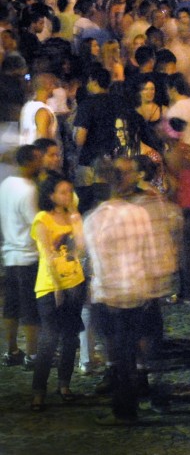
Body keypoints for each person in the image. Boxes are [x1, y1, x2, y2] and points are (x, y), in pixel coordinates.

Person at [84, 156, 176, 426]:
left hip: (108, 296)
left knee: (118, 355)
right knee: (135, 350)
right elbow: (151, 254)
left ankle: (124, 409)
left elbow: (92, 261)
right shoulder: (139, 214)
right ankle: (137, 400)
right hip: (137, 292)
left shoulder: (94, 219)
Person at [29, 173, 86, 411]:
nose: (68, 195)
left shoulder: (73, 216)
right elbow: (45, 254)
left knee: (70, 336)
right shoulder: (42, 219)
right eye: (63, 192)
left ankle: (64, 385)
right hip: (49, 286)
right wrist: (56, 287)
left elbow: (81, 247)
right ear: (51, 195)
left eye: (70, 191)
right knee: (49, 338)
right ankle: (38, 391)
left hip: (75, 281)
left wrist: (76, 217)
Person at [1, 144, 42, 368]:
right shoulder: (29, 189)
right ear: (28, 162)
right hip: (27, 256)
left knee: (11, 308)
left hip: (9, 256)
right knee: (30, 309)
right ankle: (33, 355)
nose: (41, 163)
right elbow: (35, 224)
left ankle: (11, 351)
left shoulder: (6, 184)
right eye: (37, 159)